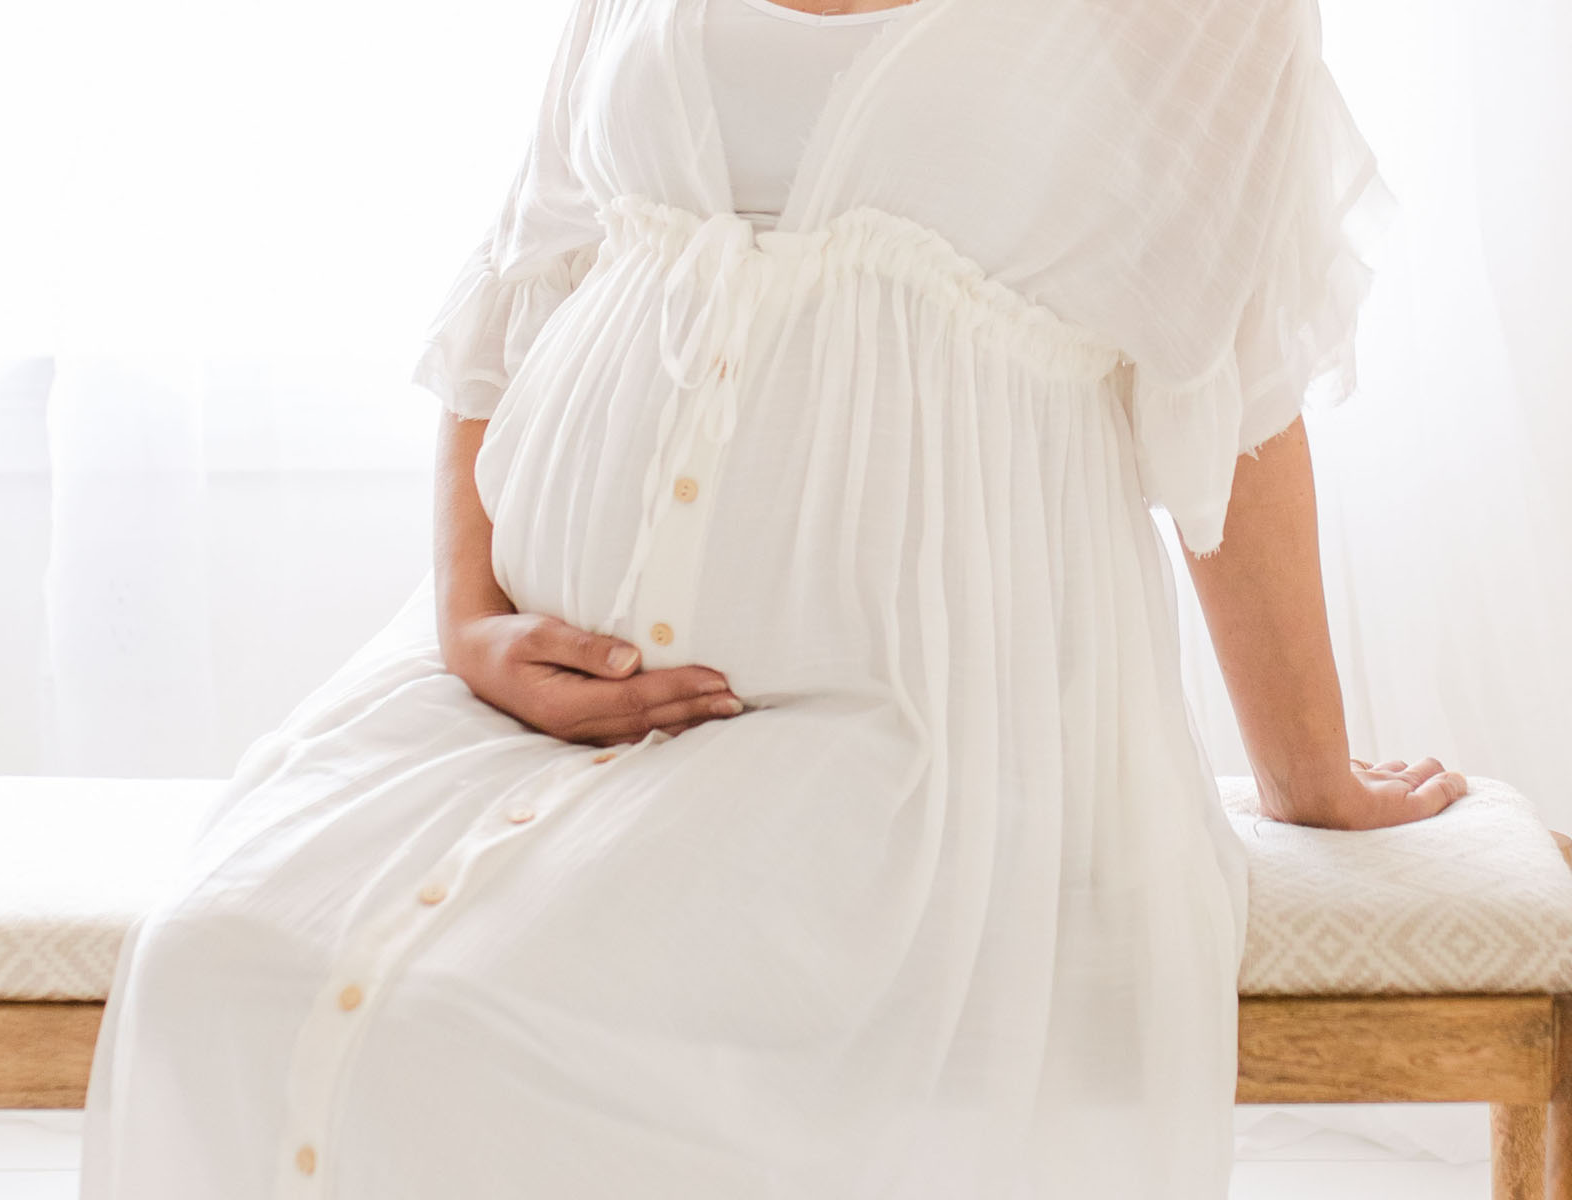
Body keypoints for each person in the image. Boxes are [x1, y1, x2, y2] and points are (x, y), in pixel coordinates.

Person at [78, 0, 1468, 1195]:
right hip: (506, 715)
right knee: (211, 962)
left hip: (913, 727)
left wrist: (1310, 775)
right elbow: (514, 295)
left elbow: (1233, 394)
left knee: (493, 1024)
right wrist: (470, 620)